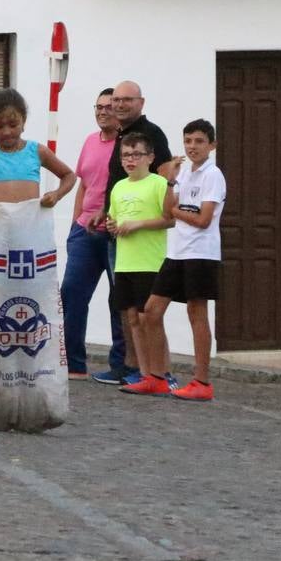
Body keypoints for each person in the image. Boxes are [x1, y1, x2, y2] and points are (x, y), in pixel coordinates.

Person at [134, 120, 225, 401]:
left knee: (196, 313)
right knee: (151, 310)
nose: (192, 147)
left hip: (201, 253)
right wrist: (171, 180)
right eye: (188, 141)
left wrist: (176, 210)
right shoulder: (184, 173)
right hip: (177, 252)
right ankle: (157, 377)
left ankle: (202, 382)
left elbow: (203, 219)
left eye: (199, 141)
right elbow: (166, 212)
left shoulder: (213, 175)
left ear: (211, 145)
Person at [95, 79, 175, 385]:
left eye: (127, 99)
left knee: (149, 316)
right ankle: (136, 370)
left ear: (141, 102)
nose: (120, 104)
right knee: (128, 313)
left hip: (149, 254)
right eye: (116, 100)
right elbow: (116, 194)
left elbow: (169, 198)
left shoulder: (150, 135)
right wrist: (107, 217)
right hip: (122, 250)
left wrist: (142, 220)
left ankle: (161, 373)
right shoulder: (120, 136)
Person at [60, 88, 127, 380]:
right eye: (98, 107)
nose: (102, 111)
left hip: (116, 234)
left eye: (108, 107)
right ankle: (74, 363)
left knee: (119, 300)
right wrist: (75, 223)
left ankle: (120, 365)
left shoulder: (127, 145)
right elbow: (84, 184)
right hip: (85, 233)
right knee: (71, 294)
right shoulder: (89, 141)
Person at [106, 132, 176, 396]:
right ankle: (146, 374)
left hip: (150, 261)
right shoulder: (119, 187)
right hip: (124, 262)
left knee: (151, 318)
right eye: (125, 155)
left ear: (150, 157)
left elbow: (170, 219)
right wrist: (112, 225)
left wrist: (138, 224)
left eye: (137, 154)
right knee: (133, 318)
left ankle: (165, 373)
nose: (130, 160)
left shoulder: (158, 184)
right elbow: (114, 220)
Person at [0, 88, 77, 208]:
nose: (6, 132)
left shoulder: (37, 151)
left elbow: (69, 175)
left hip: (30, 225)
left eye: (13, 125)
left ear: (23, 121)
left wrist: (57, 195)